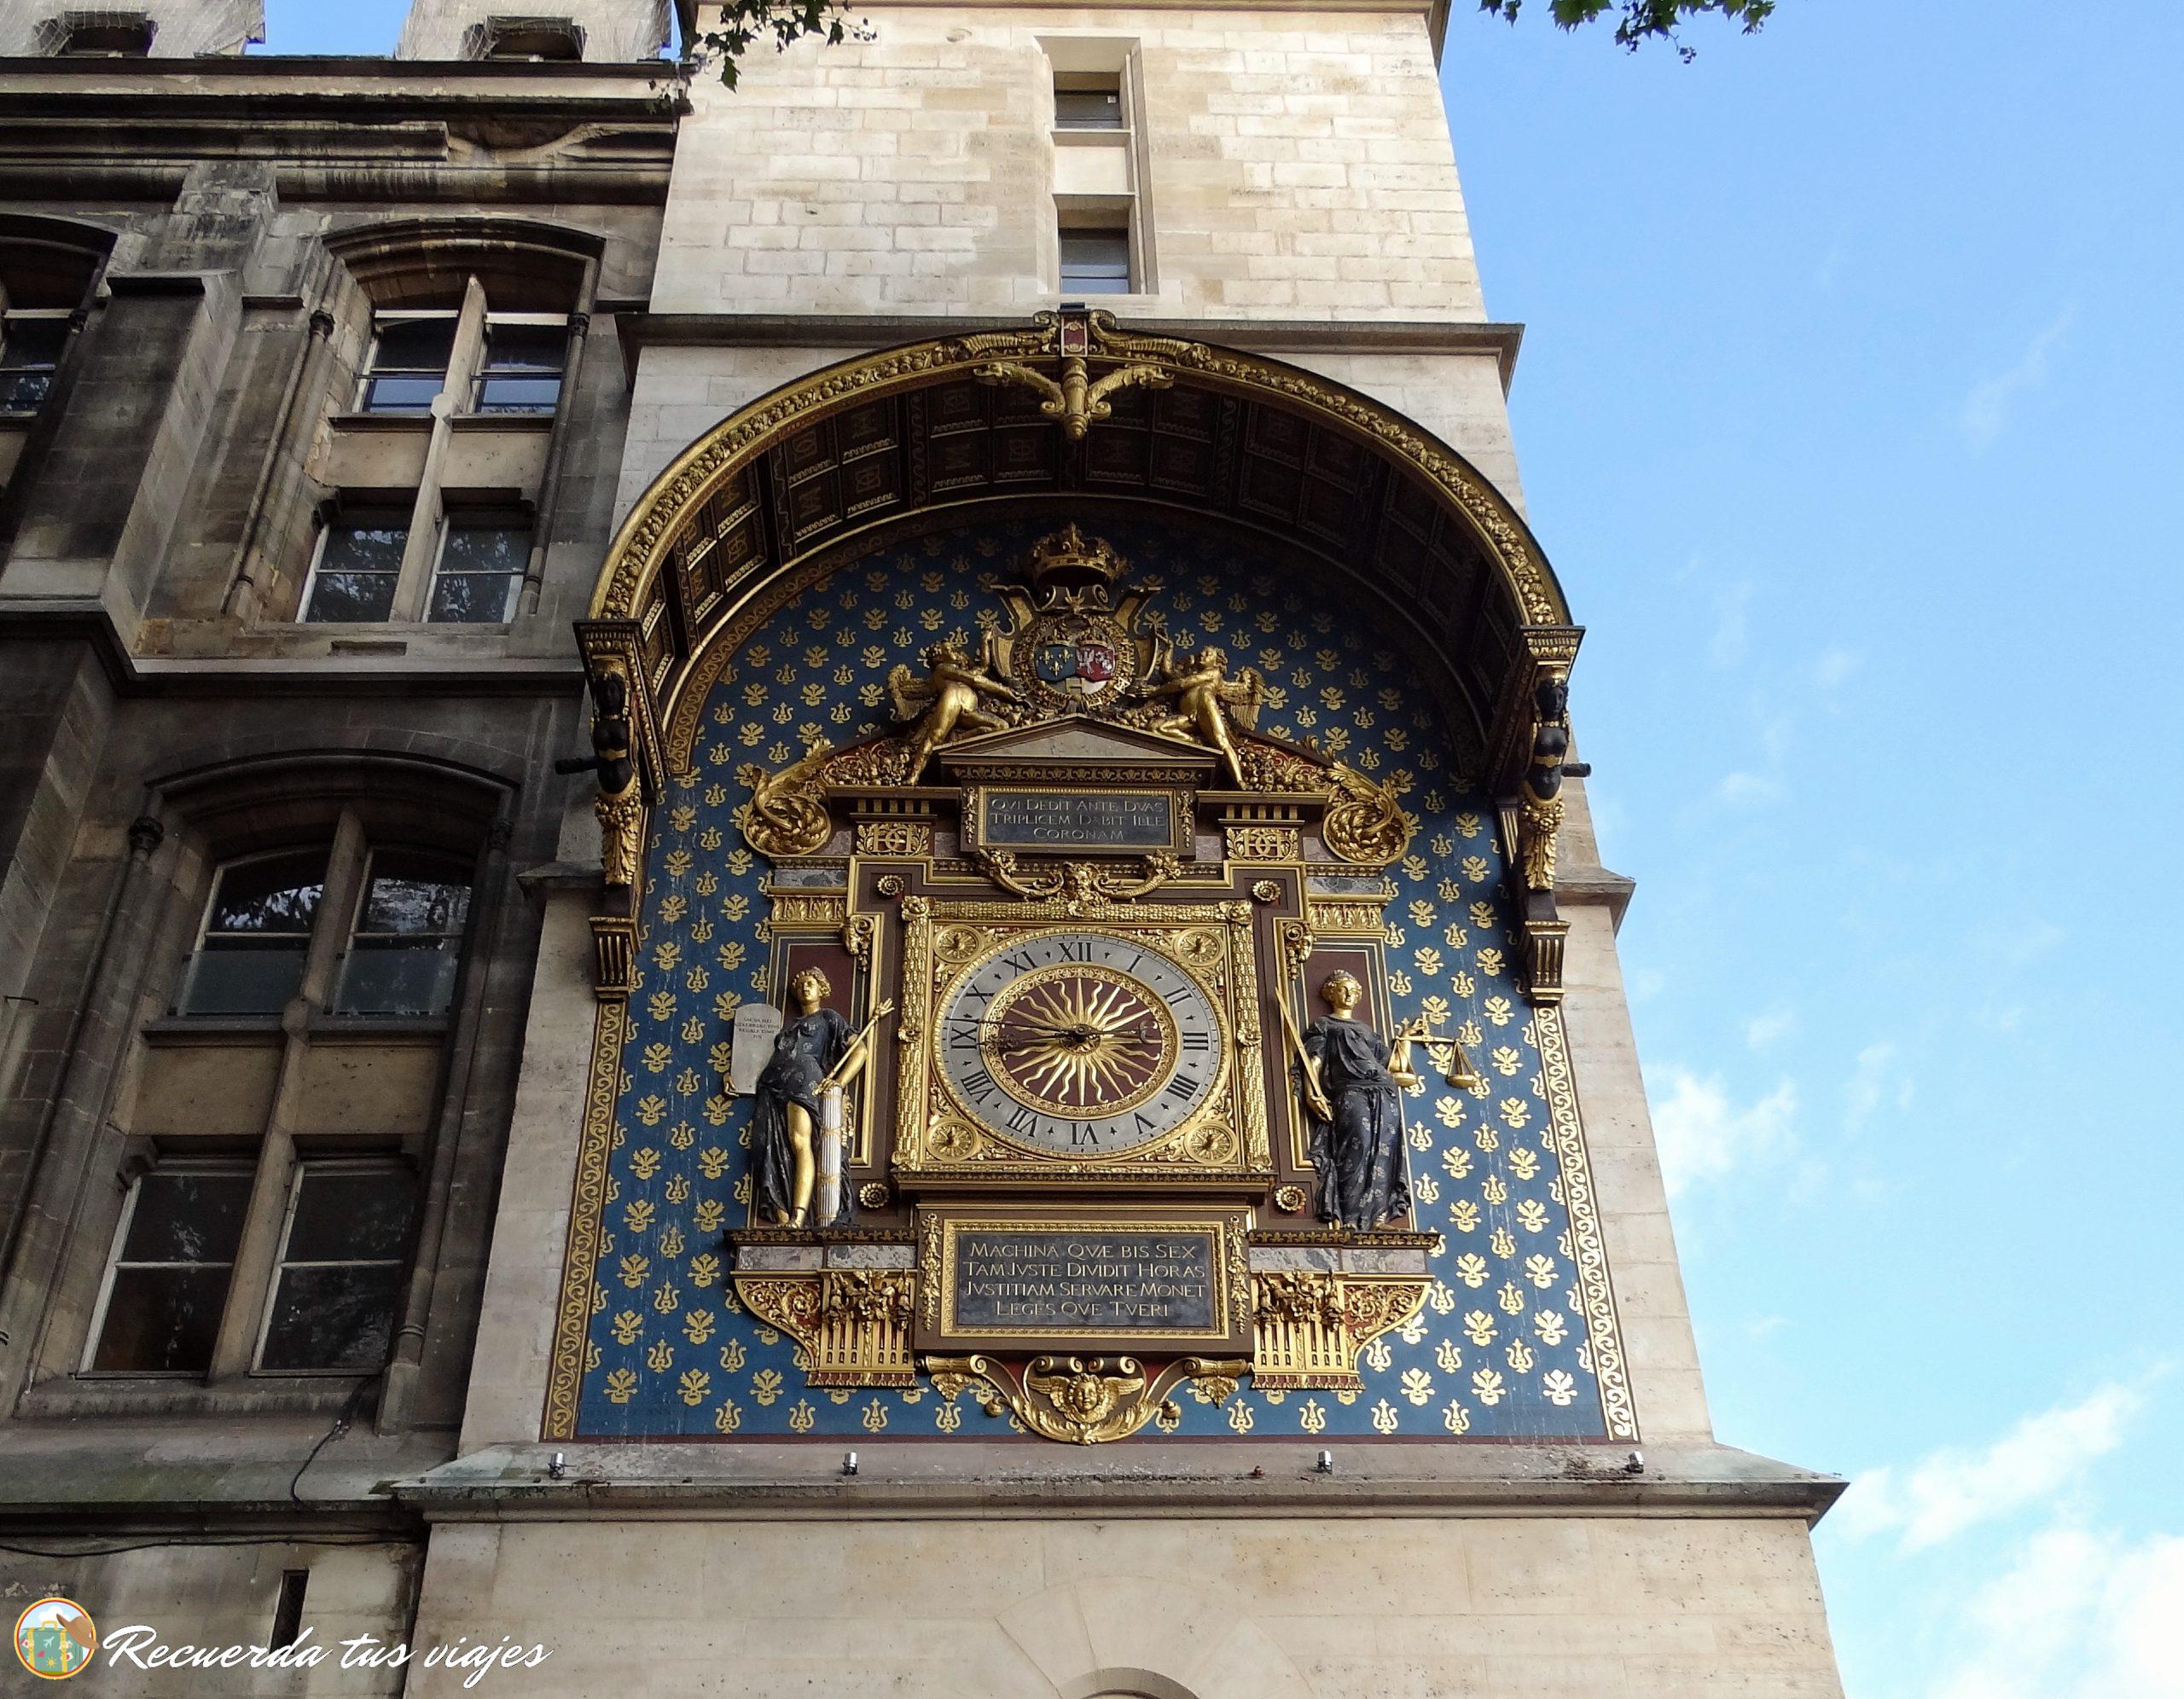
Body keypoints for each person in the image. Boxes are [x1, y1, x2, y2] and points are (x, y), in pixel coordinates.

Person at [748, 968, 875, 1227]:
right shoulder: (789, 1028)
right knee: (774, 1149)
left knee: (799, 1142)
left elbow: (860, 1050)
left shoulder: (828, 1018)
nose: (806, 988)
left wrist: (839, 1082)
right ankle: (784, 1212)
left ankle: (799, 1215)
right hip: (773, 1088)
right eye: (802, 984)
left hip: (804, 1081)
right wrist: (737, 1081)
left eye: (811, 984)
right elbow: (756, 1062)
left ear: (822, 989)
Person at [1294, 970, 1418, 1231]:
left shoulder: (1366, 1032)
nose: (1348, 994)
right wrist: (1311, 1093)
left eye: (1353, 989)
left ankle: (1378, 1219)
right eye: (1342, 988)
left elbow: (1395, 1065)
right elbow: (1313, 1063)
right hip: (1351, 1091)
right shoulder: (1325, 1026)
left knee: (1384, 1153)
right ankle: (1351, 1217)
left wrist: (1405, 1039)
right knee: (1357, 1145)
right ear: (1331, 993)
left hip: (1384, 1094)